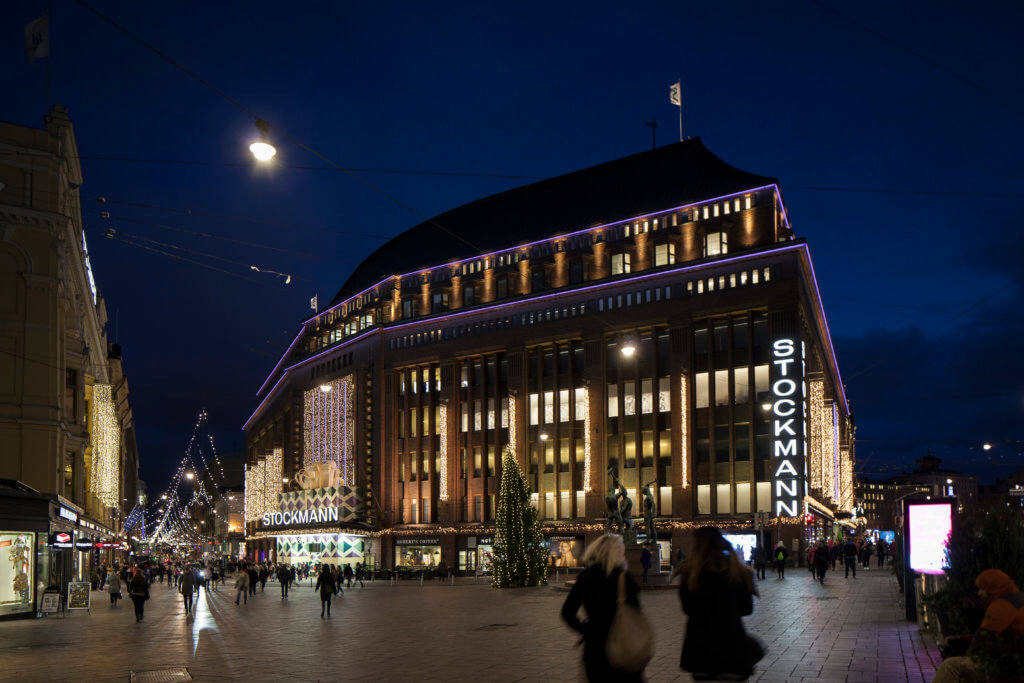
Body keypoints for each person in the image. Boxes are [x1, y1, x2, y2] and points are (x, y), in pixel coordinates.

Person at [678, 527, 763, 680]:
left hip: (701, 653)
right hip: (732, 650)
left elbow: (687, 609)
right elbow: (746, 609)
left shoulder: (690, 575)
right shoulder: (737, 572)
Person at [560, 533, 645, 682]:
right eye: (622, 550)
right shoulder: (624, 578)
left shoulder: (586, 577)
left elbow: (567, 612)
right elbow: (637, 613)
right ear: (616, 552)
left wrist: (586, 629)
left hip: (595, 649)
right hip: (623, 647)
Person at [933, 569, 1024, 683]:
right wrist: (961, 639)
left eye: (982, 588)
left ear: (993, 588)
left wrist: (961, 650)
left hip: (1011, 669)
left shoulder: (1002, 605)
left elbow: (981, 641)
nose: (979, 593)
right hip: (1014, 662)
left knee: (950, 666)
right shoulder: (1018, 598)